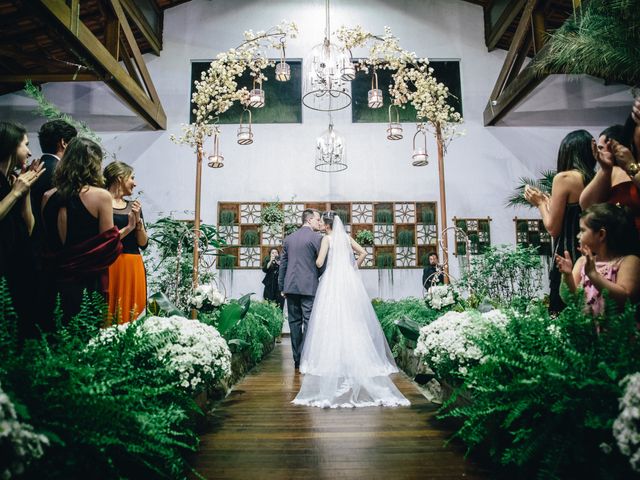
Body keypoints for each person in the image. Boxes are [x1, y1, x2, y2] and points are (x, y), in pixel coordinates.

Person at [292, 211, 410, 408]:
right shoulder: (346, 237)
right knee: (352, 318)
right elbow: (363, 252)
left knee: (331, 319)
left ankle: (334, 359)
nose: (320, 224)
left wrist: (313, 263)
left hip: (332, 281)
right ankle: (357, 358)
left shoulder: (326, 239)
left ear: (328, 225)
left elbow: (319, 262)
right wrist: (353, 267)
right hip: (348, 280)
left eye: (322, 222)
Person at [41, 138, 129, 322]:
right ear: (93, 164)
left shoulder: (47, 196)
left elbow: (46, 241)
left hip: (53, 282)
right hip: (88, 282)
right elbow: (107, 246)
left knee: (56, 340)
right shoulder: (100, 196)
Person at [524, 129, 596, 313]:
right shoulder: (595, 179)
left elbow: (553, 228)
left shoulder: (564, 178)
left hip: (569, 254)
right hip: (593, 253)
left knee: (565, 313)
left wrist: (540, 202)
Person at [31, 120, 77, 331]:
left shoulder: (37, 169)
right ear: (64, 143)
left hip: (31, 248)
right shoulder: (62, 175)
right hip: (54, 255)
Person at [0, 121, 45, 339]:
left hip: (18, 268)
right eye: (25, 145)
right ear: (10, 146)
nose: (29, 151)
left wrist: (24, 192)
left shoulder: (11, 182)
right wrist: (15, 194)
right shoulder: (9, 187)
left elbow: (28, 228)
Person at [555, 203, 640, 316]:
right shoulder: (582, 262)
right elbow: (570, 299)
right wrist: (567, 275)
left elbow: (626, 298)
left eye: (582, 230)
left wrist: (593, 275)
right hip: (587, 331)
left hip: (616, 331)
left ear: (601, 234)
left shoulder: (629, 261)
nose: (578, 236)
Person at [278, 208, 323, 372]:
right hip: (308, 287)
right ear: (309, 220)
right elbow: (321, 263)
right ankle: (307, 359)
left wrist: (282, 287)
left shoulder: (289, 239)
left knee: (294, 324)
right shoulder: (317, 238)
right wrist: (314, 276)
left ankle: (297, 360)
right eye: (318, 219)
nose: (319, 223)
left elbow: (283, 265)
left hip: (290, 287)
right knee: (309, 323)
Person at [104, 161, 148, 324]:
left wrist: (138, 225)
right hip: (109, 264)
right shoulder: (102, 203)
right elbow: (104, 240)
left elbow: (143, 244)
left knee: (133, 313)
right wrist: (128, 227)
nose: (135, 183)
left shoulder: (133, 206)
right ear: (120, 178)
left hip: (132, 263)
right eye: (132, 178)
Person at [580, 121, 640, 234]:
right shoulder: (606, 172)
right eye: (599, 148)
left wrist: (630, 166)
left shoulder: (633, 169)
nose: (600, 153)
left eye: (602, 148)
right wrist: (605, 169)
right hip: (614, 243)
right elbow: (587, 206)